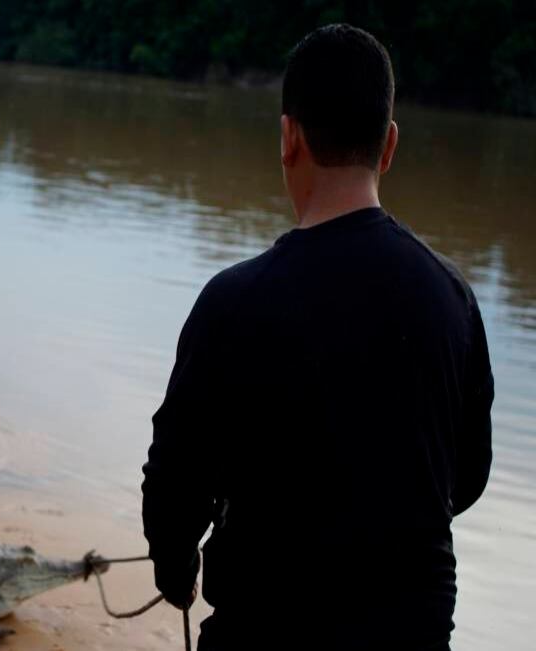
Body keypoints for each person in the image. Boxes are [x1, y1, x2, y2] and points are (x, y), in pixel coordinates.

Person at [141, 24, 493, 651]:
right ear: (389, 145)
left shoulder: (233, 301)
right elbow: (463, 479)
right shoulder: (453, 299)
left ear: (289, 138)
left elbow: (174, 482)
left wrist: (175, 565)